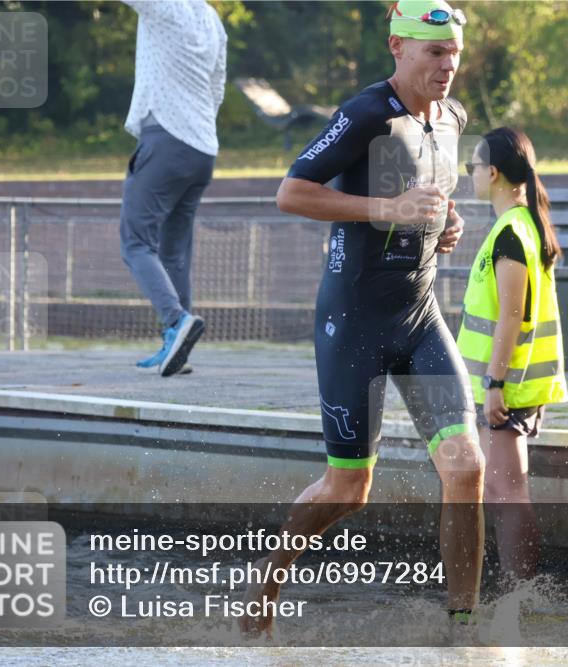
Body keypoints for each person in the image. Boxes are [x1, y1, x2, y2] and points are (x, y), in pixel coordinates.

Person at [240, 0, 484, 637]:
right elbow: (292, 192)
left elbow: (432, 200)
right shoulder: (365, 114)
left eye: (454, 53)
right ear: (397, 49)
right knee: (349, 490)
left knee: (467, 467)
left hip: (421, 316)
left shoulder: (454, 117)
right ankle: (265, 586)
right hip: (354, 326)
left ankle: (464, 624)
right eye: (435, 53)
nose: (448, 66)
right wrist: (390, 207)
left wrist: (444, 223)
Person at [457, 128, 567, 582]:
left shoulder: (511, 232)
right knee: (505, 491)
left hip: (507, 385)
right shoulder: (520, 223)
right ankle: (516, 589)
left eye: (473, 167)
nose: (471, 176)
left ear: (494, 172)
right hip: (510, 382)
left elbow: (511, 315)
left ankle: (520, 592)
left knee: (506, 493)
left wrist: (494, 384)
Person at [119, 0, 227, 376]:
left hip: (165, 137)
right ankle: (175, 347)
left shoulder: (163, 5)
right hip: (202, 147)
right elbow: (217, 86)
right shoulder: (212, 18)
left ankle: (176, 320)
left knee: (135, 241)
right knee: (174, 251)